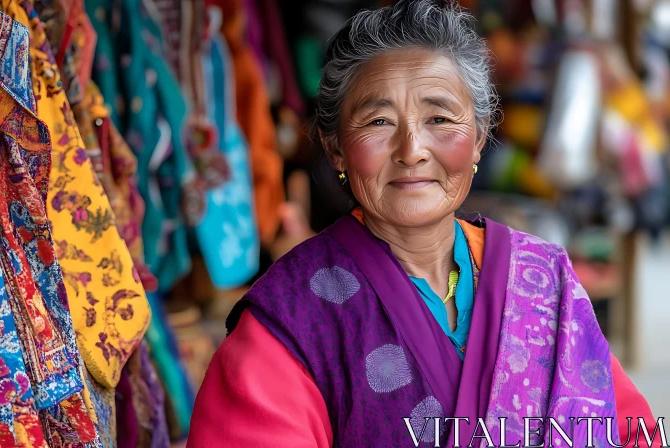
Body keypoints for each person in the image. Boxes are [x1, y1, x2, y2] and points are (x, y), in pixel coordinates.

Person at [187, 1, 656, 446]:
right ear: (335, 148)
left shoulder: (543, 280)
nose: (412, 150)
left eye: (439, 117)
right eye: (378, 122)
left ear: (478, 137)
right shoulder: (292, 320)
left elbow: (629, 429)